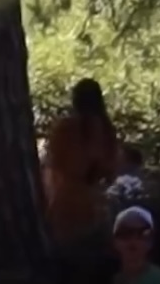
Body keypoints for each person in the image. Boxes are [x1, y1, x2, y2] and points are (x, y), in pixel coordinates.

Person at [43, 77, 121, 245]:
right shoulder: (106, 130)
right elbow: (112, 172)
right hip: (96, 202)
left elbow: (54, 166)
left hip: (66, 203)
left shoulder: (65, 128)